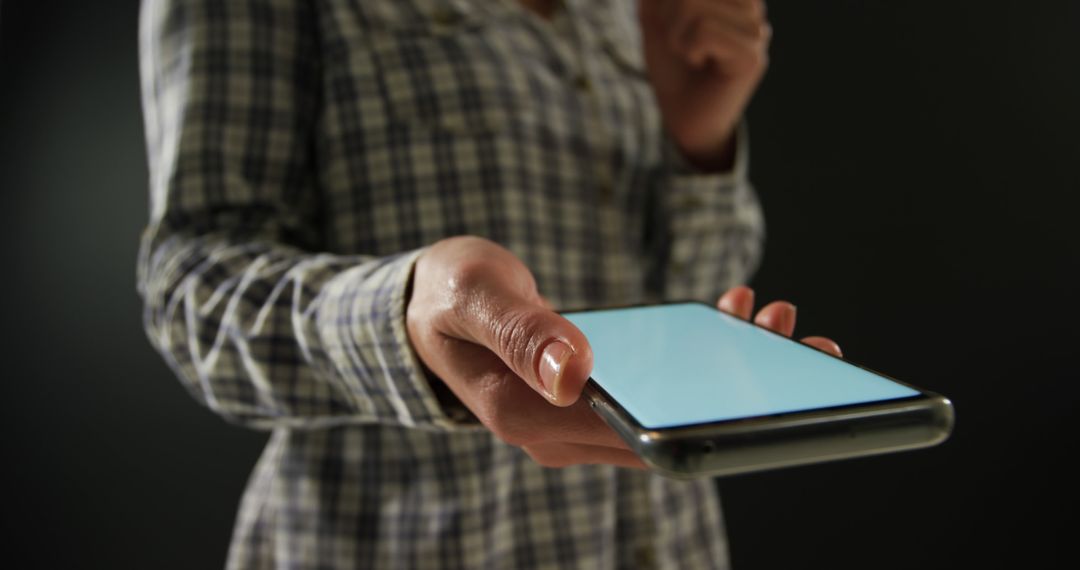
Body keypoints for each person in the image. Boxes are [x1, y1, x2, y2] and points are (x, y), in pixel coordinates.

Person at [137, 0, 840, 567]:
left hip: (667, 540)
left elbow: (692, 296)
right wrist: (405, 315)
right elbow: (192, 284)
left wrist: (699, 138)